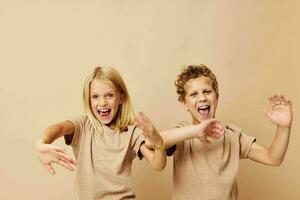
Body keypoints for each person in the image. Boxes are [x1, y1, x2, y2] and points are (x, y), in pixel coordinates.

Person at [145, 64, 293, 200]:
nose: (202, 98)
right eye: (194, 94)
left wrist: (283, 127)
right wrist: (195, 131)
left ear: (217, 97)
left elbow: (273, 158)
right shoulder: (182, 134)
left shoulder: (233, 136)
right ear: (184, 103)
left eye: (207, 92)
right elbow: (151, 142)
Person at [36, 66, 167, 200]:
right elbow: (59, 128)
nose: (102, 103)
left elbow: (158, 164)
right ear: (88, 99)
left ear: (121, 98)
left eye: (109, 95)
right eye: (95, 97)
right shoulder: (83, 126)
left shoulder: (131, 132)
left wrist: (158, 142)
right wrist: (41, 143)